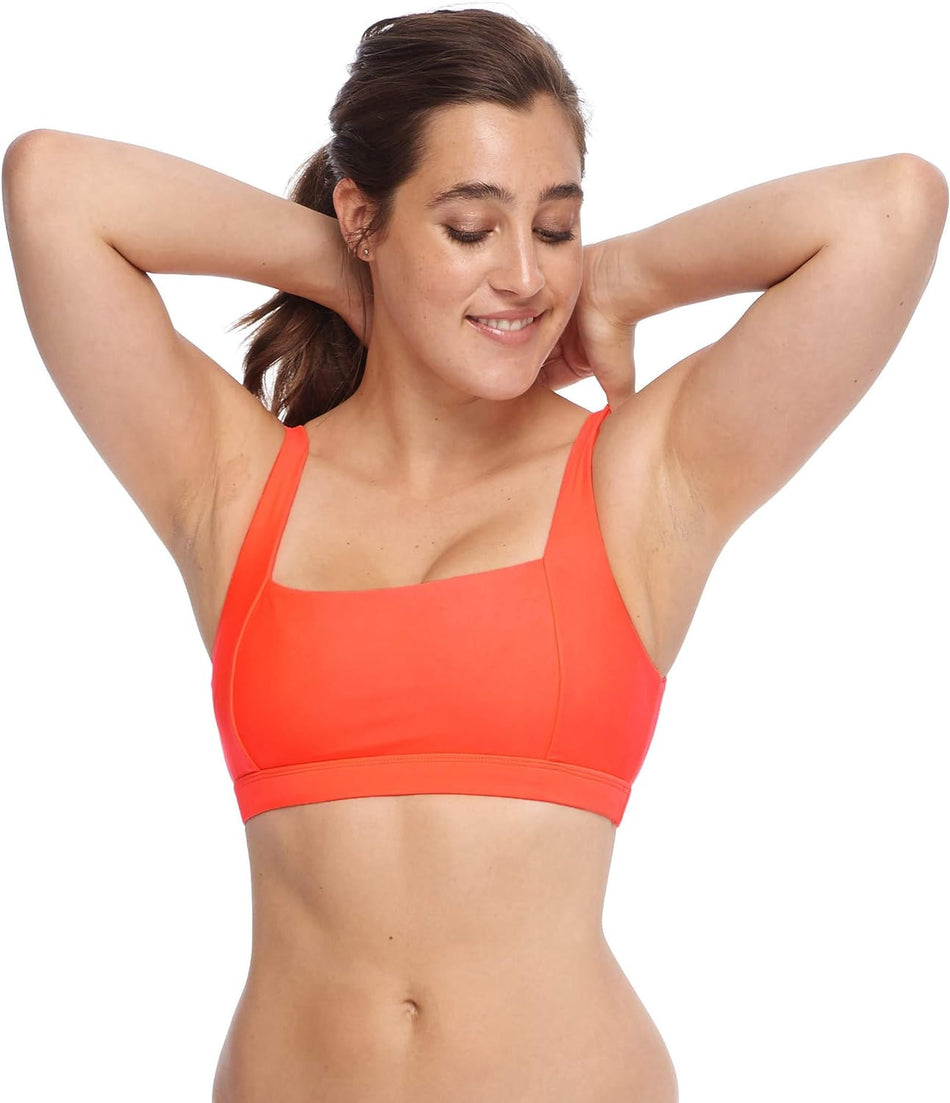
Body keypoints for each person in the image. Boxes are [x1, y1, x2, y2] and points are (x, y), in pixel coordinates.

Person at [3, 7, 945, 1102]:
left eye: (555, 227)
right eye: (467, 228)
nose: (524, 276)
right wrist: (346, 269)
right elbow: (50, 187)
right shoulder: (238, 480)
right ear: (364, 216)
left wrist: (623, 278)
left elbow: (895, 206)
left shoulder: (639, 478)